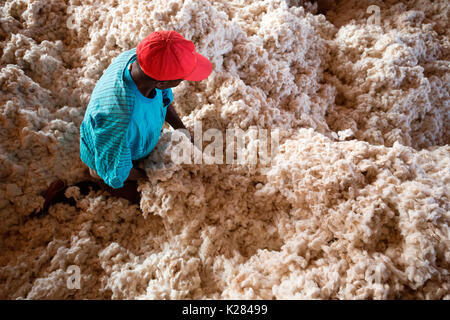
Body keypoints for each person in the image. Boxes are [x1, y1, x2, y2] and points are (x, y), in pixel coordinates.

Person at [36, 30, 212, 215]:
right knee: (154, 203)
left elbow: (163, 101)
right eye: (181, 78)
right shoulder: (118, 118)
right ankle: (74, 192)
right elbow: (118, 171)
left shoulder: (141, 61)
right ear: (161, 83)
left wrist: (182, 130)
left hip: (132, 138)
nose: (183, 80)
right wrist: (151, 176)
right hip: (110, 157)